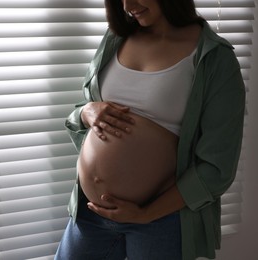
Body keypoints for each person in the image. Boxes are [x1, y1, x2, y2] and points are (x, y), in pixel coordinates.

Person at [55, 0, 245, 259]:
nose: (127, 5)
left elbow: (217, 167)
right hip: (91, 213)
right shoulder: (115, 40)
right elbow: (82, 111)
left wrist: (146, 214)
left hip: (159, 219)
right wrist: (87, 111)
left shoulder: (214, 58)